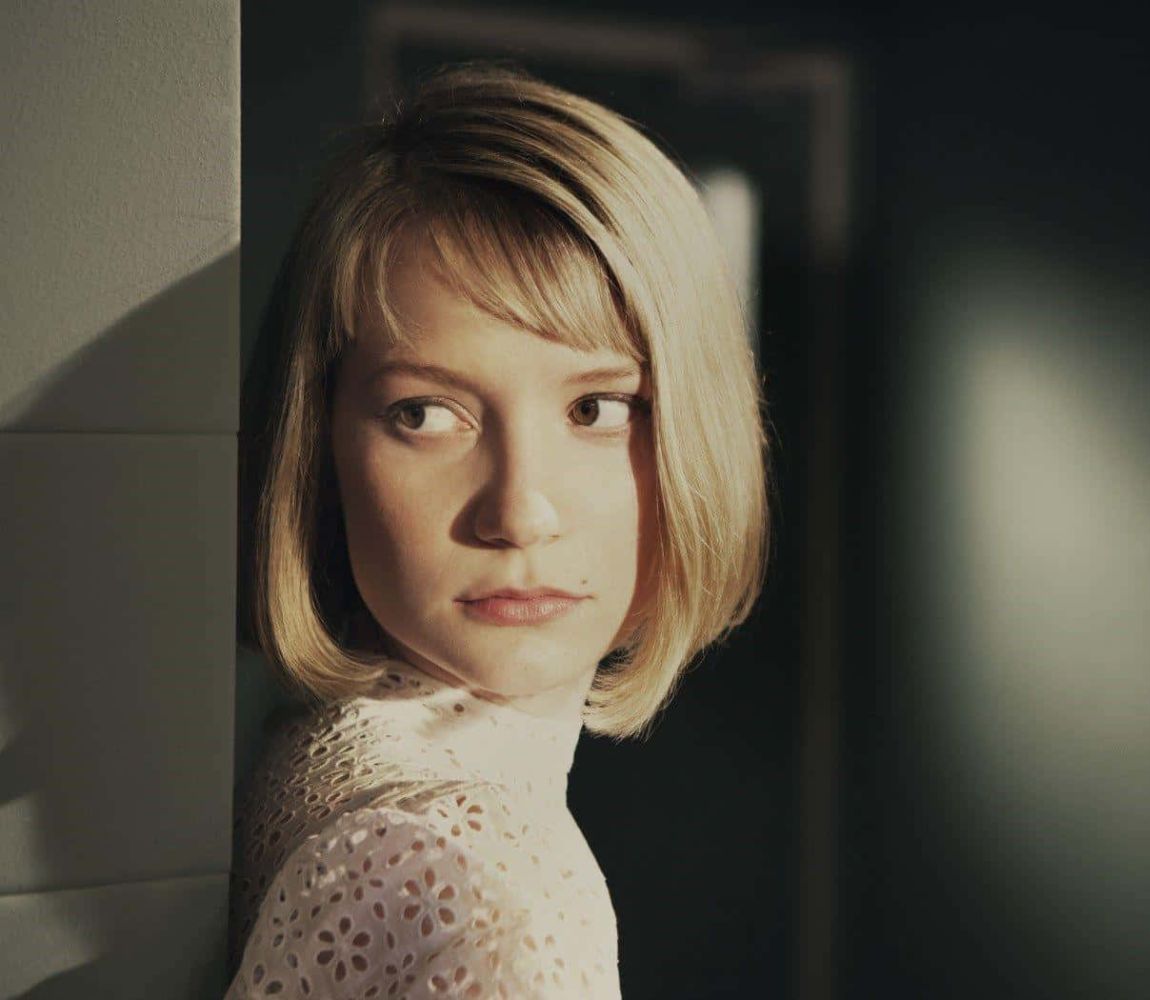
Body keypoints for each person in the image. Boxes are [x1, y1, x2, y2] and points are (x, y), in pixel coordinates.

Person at [226, 61, 770, 998]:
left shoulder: (319, 750)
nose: (520, 513)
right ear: (316, 449)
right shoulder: (488, 882)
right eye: (425, 414)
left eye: (598, 409)